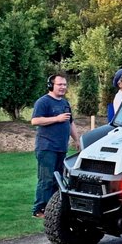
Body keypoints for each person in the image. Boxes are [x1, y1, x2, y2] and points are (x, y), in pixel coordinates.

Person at [31, 74, 80, 219]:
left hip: (61, 147)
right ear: (51, 85)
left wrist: (77, 139)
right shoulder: (43, 102)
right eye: (60, 84)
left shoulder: (65, 103)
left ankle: (52, 208)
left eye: (64, 84)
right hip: (46, 147)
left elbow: (70, 123)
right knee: (46, 179)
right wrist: (56, 119)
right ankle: (39, 209)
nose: (63, 87)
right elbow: (35, 120)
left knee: (57, 179)